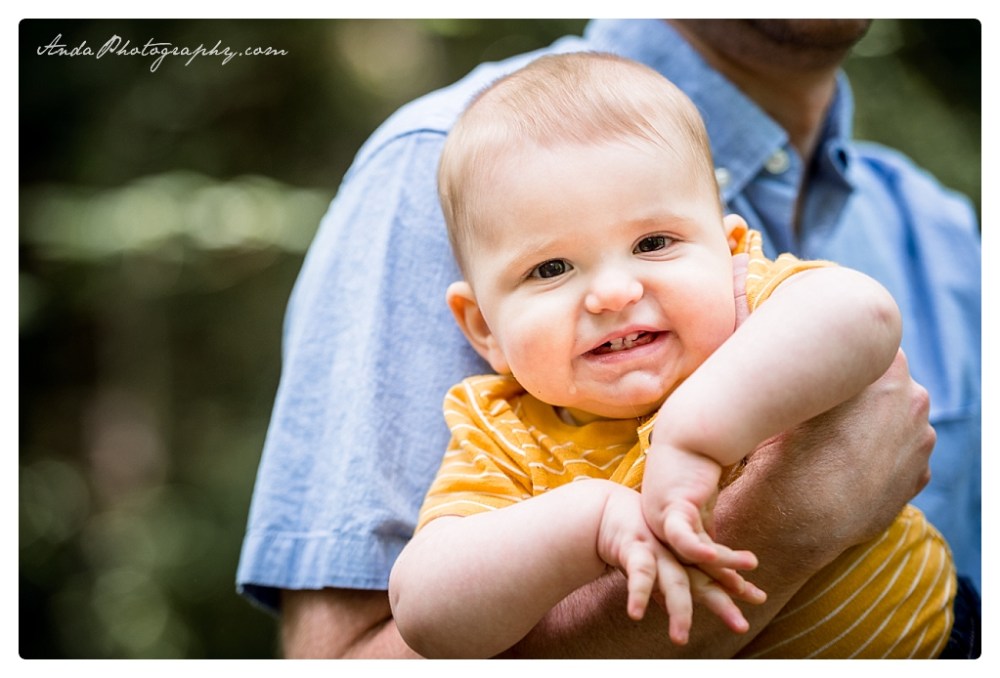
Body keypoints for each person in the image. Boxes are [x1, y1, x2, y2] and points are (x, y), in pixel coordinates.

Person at [237, 20, 980, 658]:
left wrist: (696, 435)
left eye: (654, 243)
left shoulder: (755, 299)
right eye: (551, 268)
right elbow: (427, 614)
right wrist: (585, 524)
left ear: (730, 249)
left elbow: (861, 315)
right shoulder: (503, 432)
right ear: (483, 329)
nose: (613, 292)